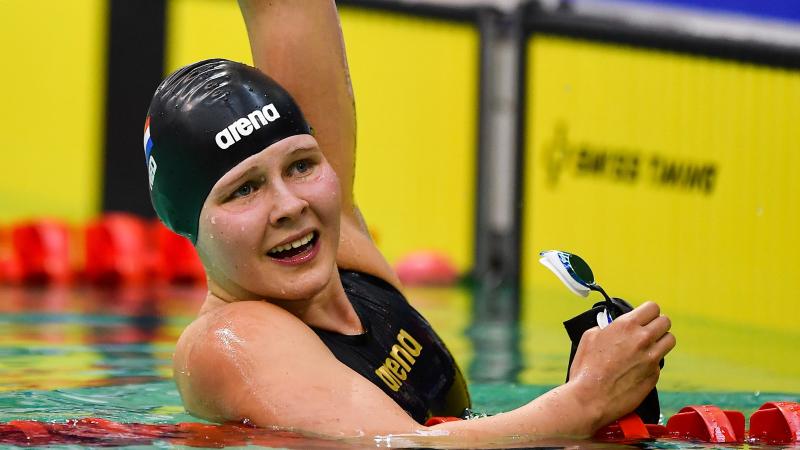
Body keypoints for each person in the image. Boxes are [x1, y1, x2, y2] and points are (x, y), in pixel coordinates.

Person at [143, 0, 675, 440]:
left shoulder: (340, 243)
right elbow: (399, 445)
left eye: (302, 164)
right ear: (192, 224)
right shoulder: (229, 339)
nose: (290, 205)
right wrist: (586, 398)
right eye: (244, 189)